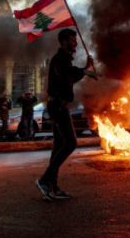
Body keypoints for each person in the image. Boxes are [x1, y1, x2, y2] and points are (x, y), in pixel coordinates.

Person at [35, 28, 99, 202]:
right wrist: (84, 71)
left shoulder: (65, 60)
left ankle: (53, 187)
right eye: (72, 40)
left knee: (58, 146)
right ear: (64, 41)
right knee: (71, 142)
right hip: (58, 106)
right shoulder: (59, 59)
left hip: (60, 105)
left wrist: (84, 68)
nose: (75, 43)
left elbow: (69, 77)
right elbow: (65, 72)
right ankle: (44, 180)